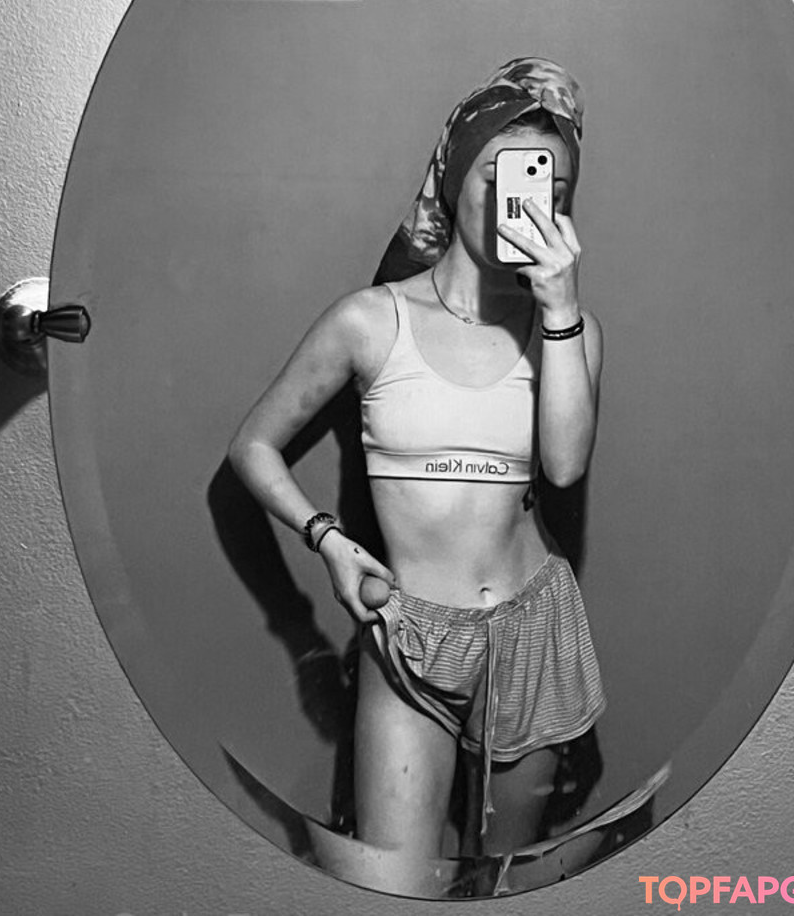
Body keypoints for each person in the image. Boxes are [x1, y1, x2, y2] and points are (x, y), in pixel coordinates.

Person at [228, 58, 605, 886]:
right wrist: (327, 542)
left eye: (550, 189)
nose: (523, 205)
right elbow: (252, 446)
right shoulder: (371, 320)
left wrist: (561, 309)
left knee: (505, 885)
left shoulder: (568, 329)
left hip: (531, 629)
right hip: (410, 633)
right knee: (390, 883)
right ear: (452, 172)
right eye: (502, 178)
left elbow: (565, 465)